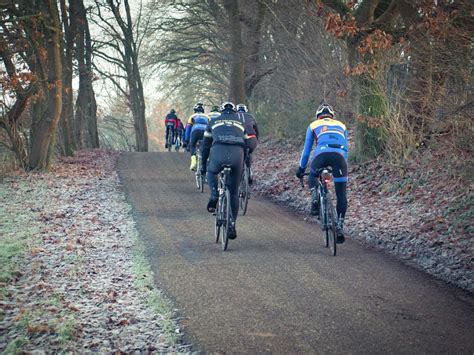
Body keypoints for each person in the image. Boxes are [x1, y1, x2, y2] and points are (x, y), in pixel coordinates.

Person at [296, 103, 348, 243]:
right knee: (341, 194)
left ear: (318, 116)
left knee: (313, 174)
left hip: (321, 155)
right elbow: (346, 149)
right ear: (332, 116)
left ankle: (314, 197)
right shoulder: (341, 125)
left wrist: (301, 169)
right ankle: (339, 226)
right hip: (340, 158)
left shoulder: (313, 125)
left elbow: (306, 152)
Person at [201, 102, 248, 240]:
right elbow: (247, 146)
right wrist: (244, 162)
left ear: (221, 112)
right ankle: (232, 224)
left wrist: (203, 165)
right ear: (234, 112)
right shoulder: (241, 123)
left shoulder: (213, 121)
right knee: (233, 192)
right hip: (237, 154)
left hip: (218, 152)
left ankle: (214, 195)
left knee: (211, 171)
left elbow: (205, 147)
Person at [236, 103, 259, 184]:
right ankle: (249, 170)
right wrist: (257, 141)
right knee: (248, 153)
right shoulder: (251, 116)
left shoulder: (234, 116)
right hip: (252, 138)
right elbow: (257, 131)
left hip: (239, 138)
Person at [184, 103, 209, 170]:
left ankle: (193, 160)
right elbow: (211, 128)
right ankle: (206, 161)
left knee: (192, 145)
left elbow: (188, 129)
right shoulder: (207, 117)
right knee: (206, 147)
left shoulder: (192, 116)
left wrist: (186, 140)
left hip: (195, 130)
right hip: (205, 131)